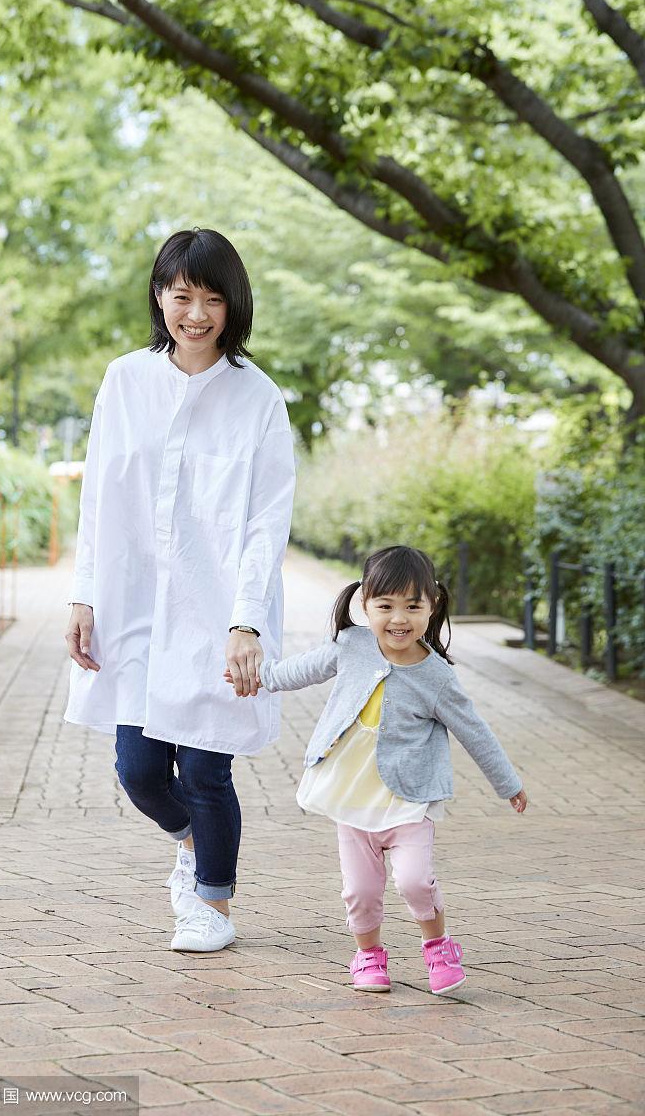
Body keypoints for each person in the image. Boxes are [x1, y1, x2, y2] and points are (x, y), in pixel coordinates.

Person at [64, 228, 296, 954]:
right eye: (182, 295)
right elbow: (98, 497)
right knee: (137, 769)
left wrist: (247, 622)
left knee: (203, 764)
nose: (195, 313)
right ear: (161, 295)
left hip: (216, 613)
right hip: (132, 603)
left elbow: (266, 519)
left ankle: (212, 907)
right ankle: (193, 846)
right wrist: (83, 594)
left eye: (212, 298)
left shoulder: (259, 398)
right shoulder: (124, 381)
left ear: (234, 305)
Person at [225, 544, 527, 995]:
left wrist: (509, 784)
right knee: (361, 892)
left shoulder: (437, 676)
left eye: (412, 606)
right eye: (385, 606)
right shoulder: (352, 646)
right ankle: (368, 955)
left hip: (409, 800)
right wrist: (259, 677)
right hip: (353, 798)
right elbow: (301, 670)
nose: (398, 618)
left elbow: (475, 731)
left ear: (433, 606)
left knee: (414, 881)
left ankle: (438, 947)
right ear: (364, 603)